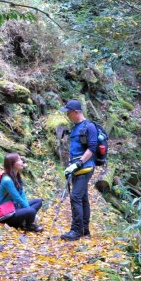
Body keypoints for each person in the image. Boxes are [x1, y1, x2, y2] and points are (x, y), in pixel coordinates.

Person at [59, 99, 96, 240]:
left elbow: (92, 148)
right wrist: (70, 166)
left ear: (76, 112)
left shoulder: (89, 127)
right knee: (83, 198)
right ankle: (84, 229)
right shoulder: (75, 127)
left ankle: (76, 231)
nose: (67, 115)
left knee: (75, 197)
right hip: (76, 168)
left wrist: (78, 164)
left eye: (68, 113)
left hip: (84, 168)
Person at [0, 153, 43, 232]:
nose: (22, 162)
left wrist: (28, 209)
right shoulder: (7, 180)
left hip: (16, 207)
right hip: (7, 213)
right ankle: (28, 226)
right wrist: (30, 211)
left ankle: (25, 220)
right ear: (12, 164)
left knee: (39, 201)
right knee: (31, 211)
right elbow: (17, 198)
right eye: (19, 160)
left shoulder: (16, 175)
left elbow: (22, 194)